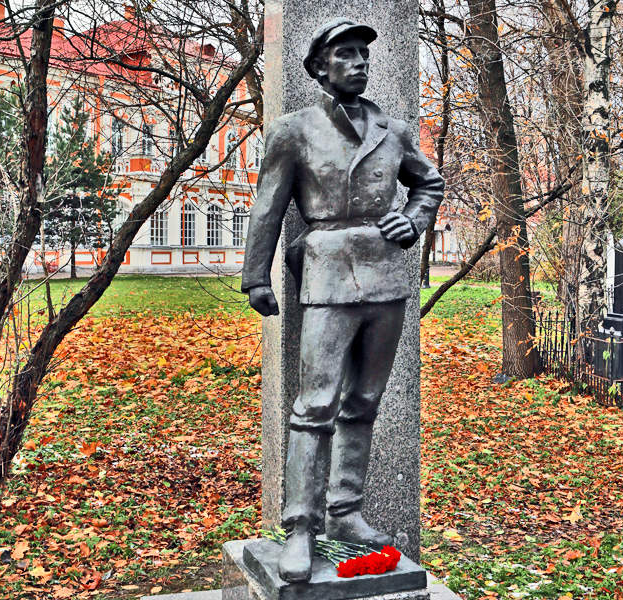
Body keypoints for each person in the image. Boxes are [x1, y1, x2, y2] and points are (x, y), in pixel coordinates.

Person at [241, 17, 444, 583]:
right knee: (314, 406)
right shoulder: (294, 130)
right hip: (327, 272)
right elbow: (268, 207)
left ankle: (346, 510)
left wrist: (413, 217)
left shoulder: (393, 129)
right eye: (346, 54)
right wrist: (257, 276)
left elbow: (429, 182)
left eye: (364, 55)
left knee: (365, 401)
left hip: (386, 275)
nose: (359, 63)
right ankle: (301, 526)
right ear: (319, 67)